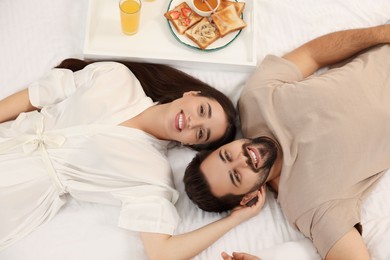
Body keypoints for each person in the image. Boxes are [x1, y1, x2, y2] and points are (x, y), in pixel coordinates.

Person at [0, 58, 264, 260]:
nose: (193, 122)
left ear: (191, 144)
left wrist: (235, 219)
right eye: (202, 110)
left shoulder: (153, 176)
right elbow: (34, 97)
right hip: (9, 136)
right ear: (191, 94)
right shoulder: (117, 77)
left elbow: (163, 253)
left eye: (201, 133)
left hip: (20, 192)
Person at [184, 23, 390, 260]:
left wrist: (383, 33)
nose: (243, 159)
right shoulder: (309, 206)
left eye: (227, 156)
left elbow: (312, 55)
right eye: (236, 176)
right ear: (248, 197)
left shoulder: (254, 99)